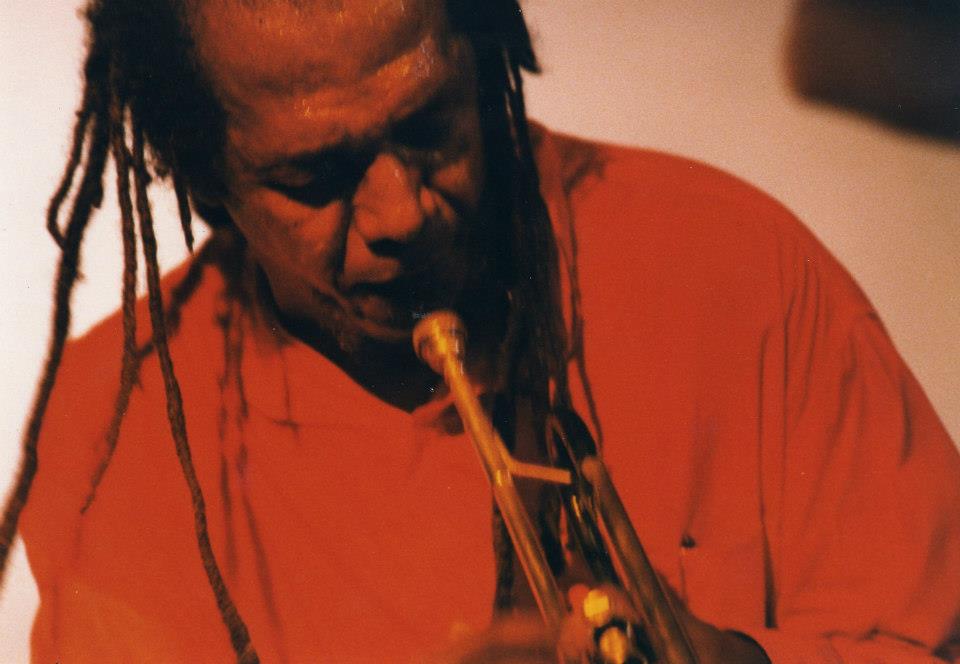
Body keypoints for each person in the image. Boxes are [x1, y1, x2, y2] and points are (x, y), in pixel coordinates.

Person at [1, 0, 958, 662]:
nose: (402, 213)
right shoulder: (111, 422)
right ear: (202, 177)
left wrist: (734, 660)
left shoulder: (734, 266)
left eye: (428, 128)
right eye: (316, 177)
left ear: (488, 57)